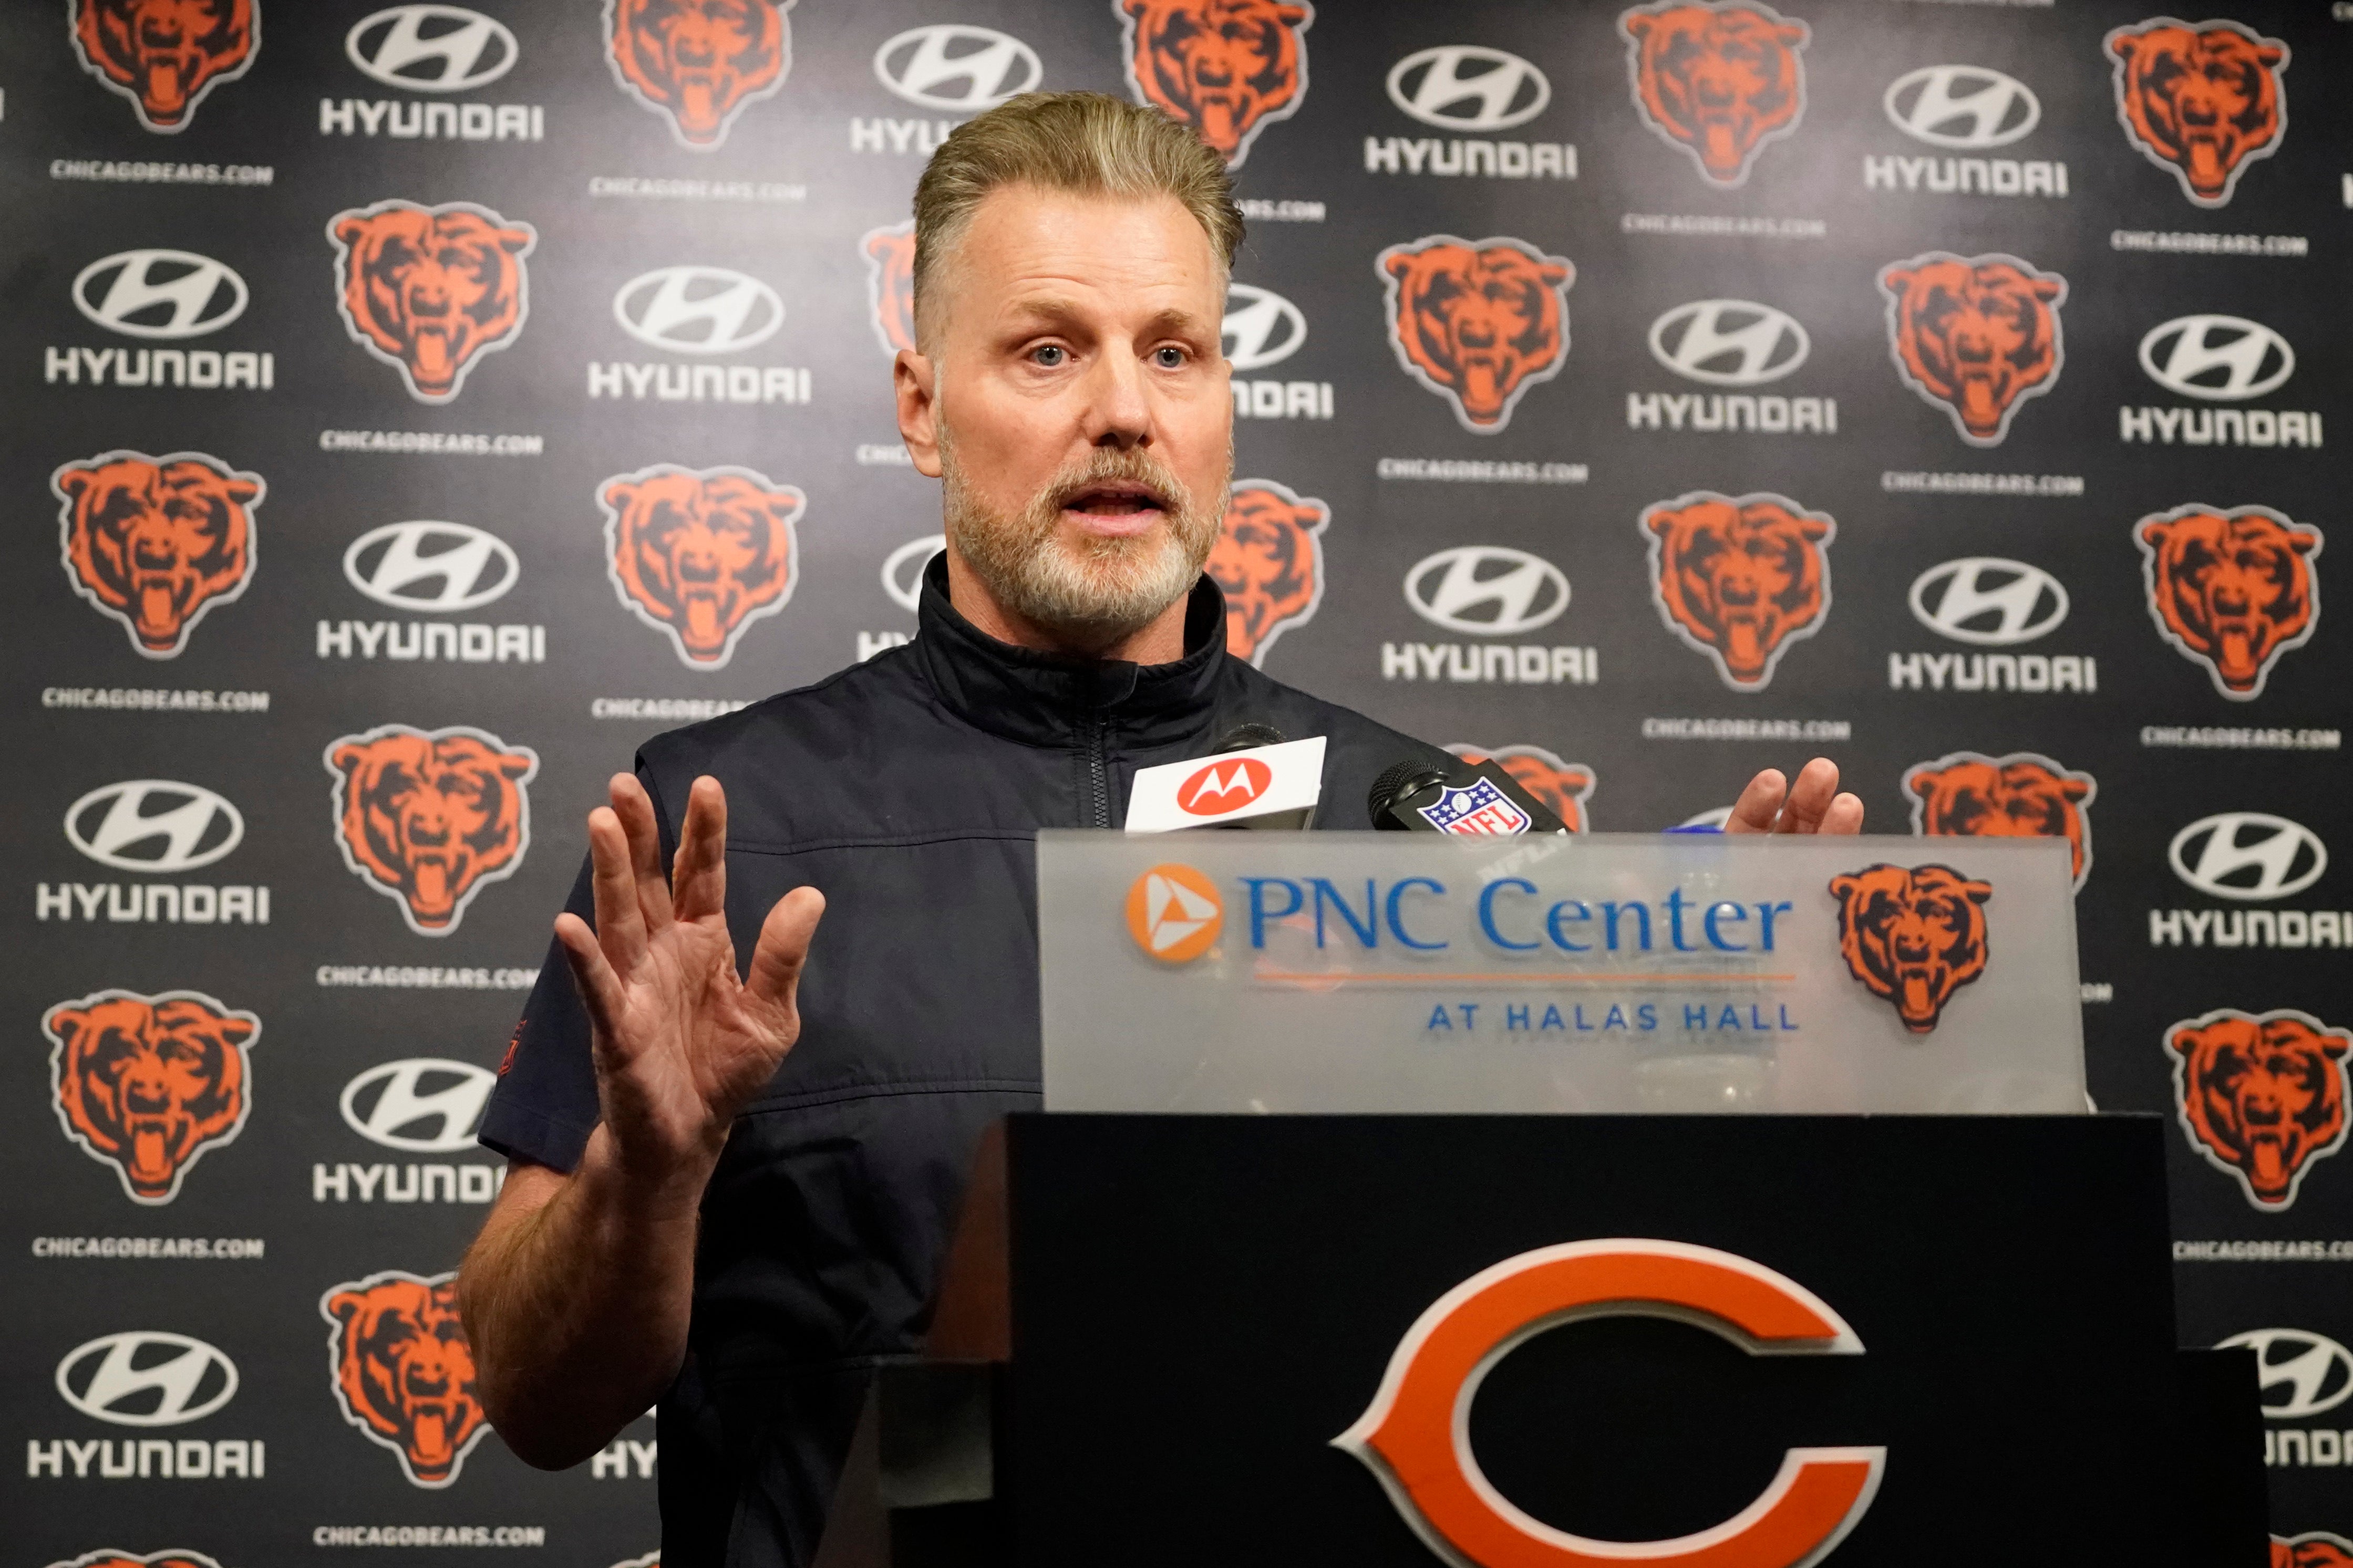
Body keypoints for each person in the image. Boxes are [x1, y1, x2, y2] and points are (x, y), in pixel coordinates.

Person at [457, 91, 1865, 1566]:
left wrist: (1748, 1075)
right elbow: (531, 1396)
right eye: (1049, 348)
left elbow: (1608, 1343)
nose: (1124, 407)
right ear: (924, 400)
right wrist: (647, 1177)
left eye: (1174, 351)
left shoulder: (1445, 836)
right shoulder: (719, 831)